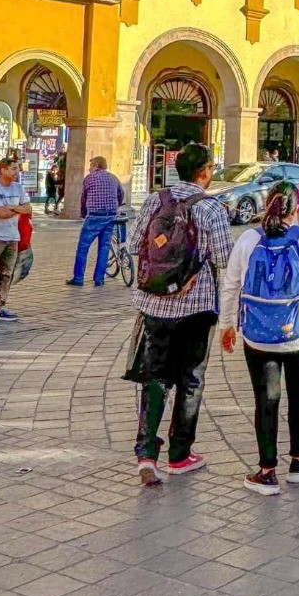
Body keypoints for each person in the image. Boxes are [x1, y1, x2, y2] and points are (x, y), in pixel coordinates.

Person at [219, 182, 299, 495]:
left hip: (257, 336)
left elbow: (230, 285)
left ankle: (266, 471)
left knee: (265, 400)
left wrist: (227, 325)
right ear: (296, 209)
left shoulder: (247, 239)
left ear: (267, 204)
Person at [127, 143, 234, 485]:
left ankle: (146, 454)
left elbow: (132, 245)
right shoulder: (210, 208)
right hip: (196, 308)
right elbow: (225, 261)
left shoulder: (155, 201)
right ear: (204, 171)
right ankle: (180, 454)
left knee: (154, 378)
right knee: (190, 379)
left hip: (153, 305)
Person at [0, 157, 31, 326]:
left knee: (7, 273)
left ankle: (1, 306)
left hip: (12, 236)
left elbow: (28, 208)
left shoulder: (18, 188)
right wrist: (17, 209)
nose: (16, 172)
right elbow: (0, 213)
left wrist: (11, 207)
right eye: (13, 169)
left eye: (17, 169)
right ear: (2, 170)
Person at [67, 156, 125, 288]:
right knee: (104, 247)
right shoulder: (114, 178)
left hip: (94, 216)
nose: (89, 168)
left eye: (91, 165)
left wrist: (83, 214)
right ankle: (99, 279)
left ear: (97, 166)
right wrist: (115, 206)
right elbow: (121, 195)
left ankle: (78, 278)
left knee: (83, 247)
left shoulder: (89, 178)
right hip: (110, 216)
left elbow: (84, 198)